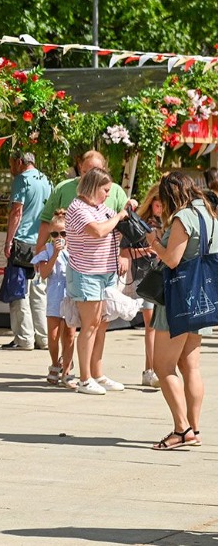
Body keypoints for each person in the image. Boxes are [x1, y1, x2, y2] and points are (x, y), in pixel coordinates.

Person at [146, 172, 214, 449]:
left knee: (163, 366)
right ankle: (194, 429)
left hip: (178, 299)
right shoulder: (209, 215)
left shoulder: (183, 218)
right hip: (202, 297)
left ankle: (181, 429)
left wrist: (154, 242)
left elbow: (173, 259)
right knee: (190, 366)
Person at [64, 168, 131, 396]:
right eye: (105, 190)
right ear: (93, 187)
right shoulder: (77, 208)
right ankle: (85, 379)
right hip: (86, 273)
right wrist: (118, 216)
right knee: (90, 325)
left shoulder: (100, 208)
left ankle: (97, 374)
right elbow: (98, 231)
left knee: (102, 324)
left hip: (105, 273)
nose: (107, 195)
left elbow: (114, 229)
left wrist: (126, 214)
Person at [3, 151, 52, 351]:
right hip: (41, 242)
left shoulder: (21, 180)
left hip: (22, 242)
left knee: (19, 291)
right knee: (38, 292)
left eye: (11, 164)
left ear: (20, 162)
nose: (11, 169)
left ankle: (24, 338)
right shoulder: (46, 180)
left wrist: (8, 241)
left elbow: (17, 212)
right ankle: (43, 338)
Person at [32, 209, 76, 388]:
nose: (59, 237)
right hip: (54, 293)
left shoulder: (75, 249)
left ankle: (67, 370)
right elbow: (43, 273)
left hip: (70, 292)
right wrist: (55, 254)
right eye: (55, 234)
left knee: (70, 333)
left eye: (63, 233)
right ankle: (55, 363)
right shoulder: (47, 249)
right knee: (53, 334)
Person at [136, 184, 164, 389]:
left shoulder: (171, 222)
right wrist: (148, 248)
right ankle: (150, 370)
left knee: (157, 327)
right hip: (146, 276)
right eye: (157, 205)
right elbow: (125, 250)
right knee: (151, 326)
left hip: (162, 276)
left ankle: (154, 369)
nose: (160, 209)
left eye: (163, 205)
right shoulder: (143, 224)